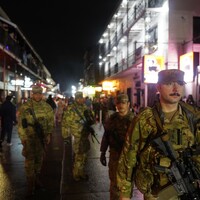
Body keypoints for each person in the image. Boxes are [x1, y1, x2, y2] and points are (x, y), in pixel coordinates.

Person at [117, 69, 200, 200]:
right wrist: (125, 194)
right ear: (158, 87)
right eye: (168, 83)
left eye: (179, 83)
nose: (175, 88)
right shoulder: (144, 119)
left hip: (188, 188)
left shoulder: (194, 117)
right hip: (155, 192)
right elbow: (129, 156)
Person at [17, 85, 54, 196]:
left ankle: (36, 179)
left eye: (39, 93)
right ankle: (30, 184)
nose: (37, 95)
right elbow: (20, 124)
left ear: (42, 94)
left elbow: (50, 122)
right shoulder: (25, 107)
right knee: (29, 161)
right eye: (35, 93)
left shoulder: (47, 107)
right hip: (29, 138)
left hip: (41, 138)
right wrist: (22, 137)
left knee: (39, 160)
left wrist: (48, 135)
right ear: (32, 94)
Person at [100, 94, 135, 200]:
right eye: (118, 103)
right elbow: (106, 135)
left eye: (123, 103)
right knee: (114, 184)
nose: (120, 106)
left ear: (128, 104)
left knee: (126, 186)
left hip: (128, 159)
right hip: (114, 156)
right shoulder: (112, 118)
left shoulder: (134, 120)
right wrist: (102, 152)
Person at [62, 91, 95, 181]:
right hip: (77, 135)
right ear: (76, 99)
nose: (82, 99)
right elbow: (65, 123)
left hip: (85, 134)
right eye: (80, 98)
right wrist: (65, 136)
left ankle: (81, 172)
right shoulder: (71, 109)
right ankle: (76, 174)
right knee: (79, 155)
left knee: (84, 155)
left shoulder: (85, 107)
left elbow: (92, 118)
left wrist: (91, 117)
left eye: (82, 98)